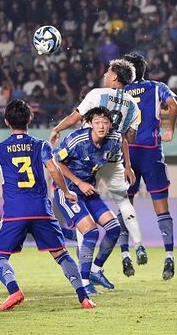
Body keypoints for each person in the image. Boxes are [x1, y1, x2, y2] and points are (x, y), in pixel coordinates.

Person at [0, 99, 96, 310]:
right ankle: (84, 297)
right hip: (41, 210)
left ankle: (14, 291)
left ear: (6, 122)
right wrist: (66, 192)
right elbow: (54, 170)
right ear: (29, 119)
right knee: (61, 254)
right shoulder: (41, 146)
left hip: (14, 212)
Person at [49, 59, 145, 263]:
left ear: (114, 77)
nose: (104, 75)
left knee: (83, 210)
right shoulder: (133, 105)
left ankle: (84, 258)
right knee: (121, 201)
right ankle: (135, 246)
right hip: (110, 155)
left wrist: (57, 129)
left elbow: (75, 118)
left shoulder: (97, 94)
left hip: (85, 152)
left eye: (107, 72)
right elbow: (129, 137)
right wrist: (127, 165)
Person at [121, 53, 177, 280]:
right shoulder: (157, 87)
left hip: (127, 153)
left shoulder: (119, 92)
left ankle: (125, 255)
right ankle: (169, 257)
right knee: (162, 208)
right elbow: (173, 105)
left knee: (125, 205)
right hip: (151, 152)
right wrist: (171, 129)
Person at [54, 106, 124, 294]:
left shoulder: (114, 139)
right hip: (67, 191)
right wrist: (78, 182)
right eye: (97, 122)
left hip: (88, 191)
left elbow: (120, 148)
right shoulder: (78, 139)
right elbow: (56, 163)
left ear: (110, 124)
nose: (101, 126)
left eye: (105, 122)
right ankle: (84, 284)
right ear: (90, 124)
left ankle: (95, 271)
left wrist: (129, 168)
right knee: (91, 232)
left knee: (114, 228)